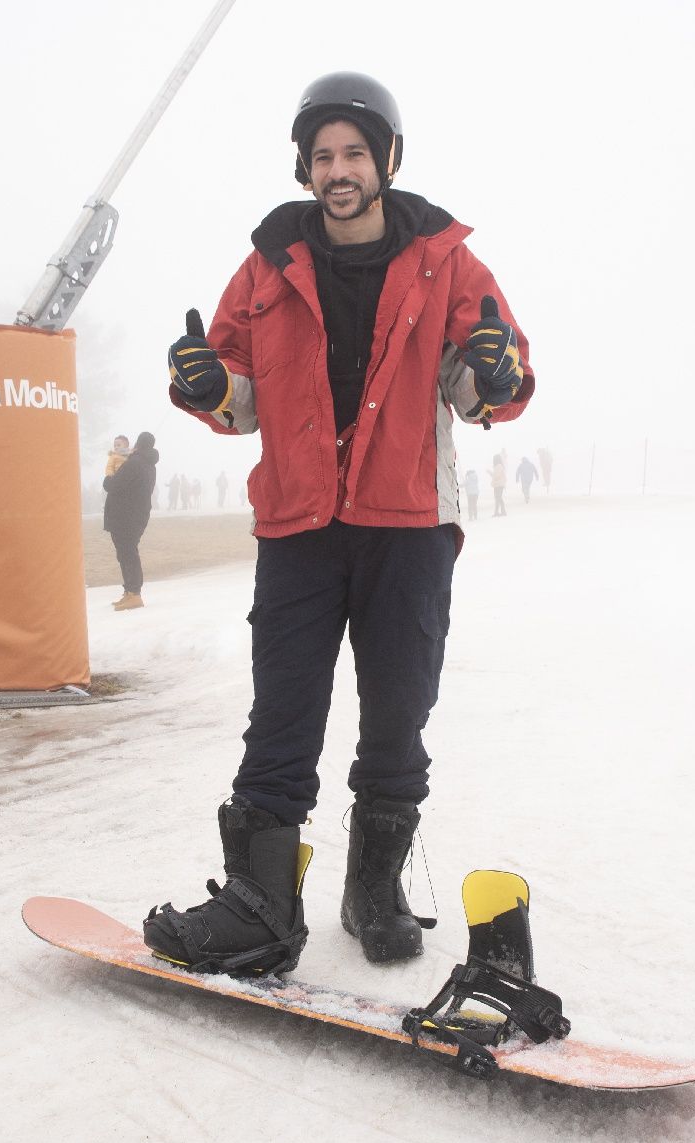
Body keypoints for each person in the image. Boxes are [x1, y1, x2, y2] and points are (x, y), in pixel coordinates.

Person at [146, 71, 534, 975]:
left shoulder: (448, 263)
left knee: (398, 715)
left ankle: (372, 891)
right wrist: (207, 386)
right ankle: (261, 905)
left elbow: (477, 380)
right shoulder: (266, 268)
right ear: (304, 168)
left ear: (387, 159)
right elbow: (238, 397)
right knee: (282, 713)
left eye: (355, 151)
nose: (338, 168)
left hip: (408, 525)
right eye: (322, 155)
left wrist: (495, 373)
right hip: (299, 525)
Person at [102, 431, 159, 611]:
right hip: (136, 515)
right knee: (126, 552)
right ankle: (129, 592)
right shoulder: (149, 465)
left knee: (127, 553)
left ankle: (134, 594)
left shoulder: (135, 463)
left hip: (126, 516)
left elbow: (112, 485)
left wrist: (107, 477)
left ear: (138, 443)